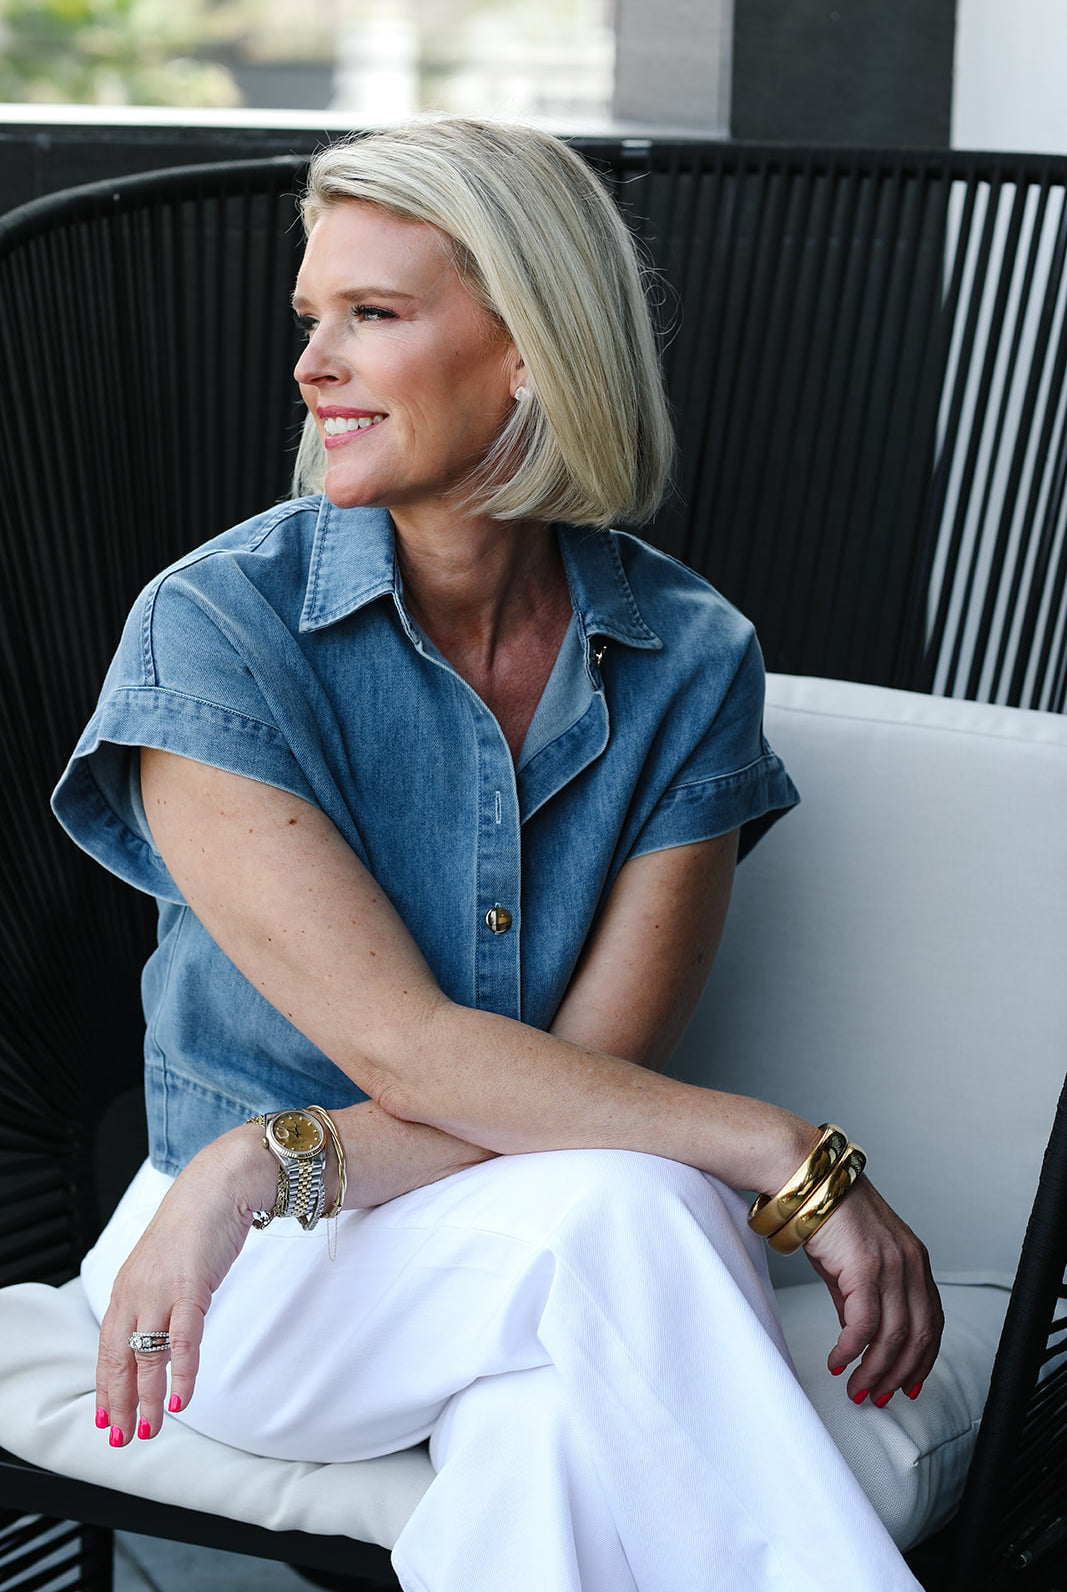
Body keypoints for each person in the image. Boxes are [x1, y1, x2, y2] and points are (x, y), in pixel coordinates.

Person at [52, 117, 942, 1591]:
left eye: (374, 315)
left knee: (549, 1440)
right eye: (312, 318)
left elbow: (594, 1091)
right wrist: (788, 1152)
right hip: (245, 1282)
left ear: (529, 347)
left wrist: (256, 1164)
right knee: (645, 1199)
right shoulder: (219, 629)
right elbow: (422, 1052)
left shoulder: (688, 653)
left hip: (431, 1209)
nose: (310, 364)